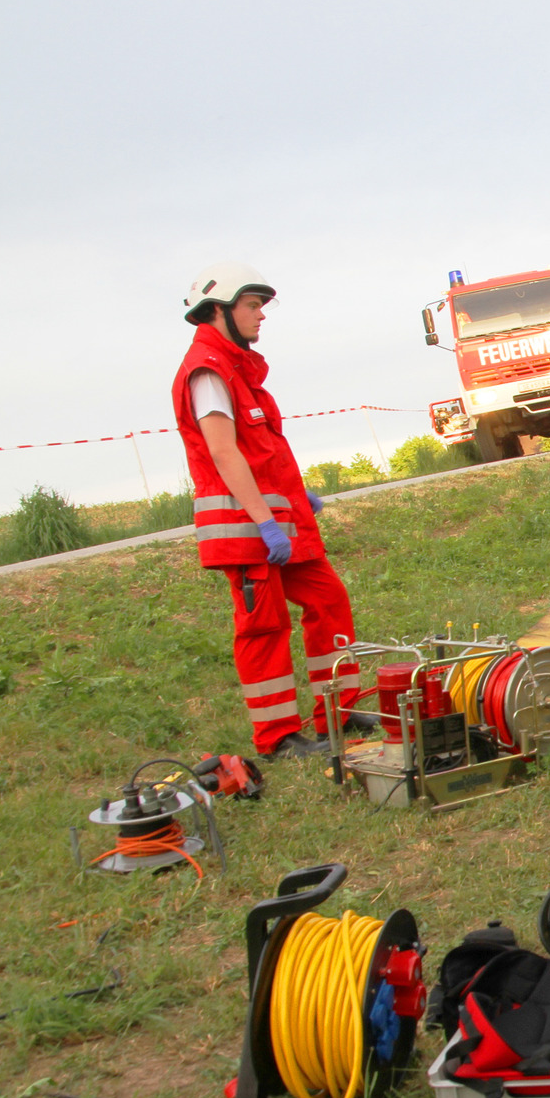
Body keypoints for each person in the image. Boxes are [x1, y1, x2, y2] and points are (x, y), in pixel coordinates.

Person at [170, 262, 358, 761]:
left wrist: (299, 500)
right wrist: (267, 522)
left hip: (276, 525)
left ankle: (341, 710)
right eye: (252, 306)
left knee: (329, 600)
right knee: (265, 626)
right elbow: (223, 453)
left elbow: (260, 454)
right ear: (218, 310)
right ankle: (278, 739)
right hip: (249, 530)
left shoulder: (237, 369)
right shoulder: (207, 371)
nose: (261, 315)